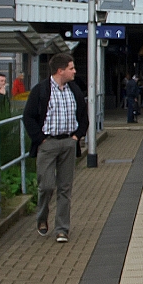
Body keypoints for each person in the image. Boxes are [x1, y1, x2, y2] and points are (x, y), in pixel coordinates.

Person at [22, 53, 88, 243]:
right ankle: (42, 218)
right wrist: (40, 139)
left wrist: (77, 136)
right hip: (48, 144)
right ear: (60, 71)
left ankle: (62, 229)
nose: (74, 71)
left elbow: (84, 116)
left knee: (65, 188)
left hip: (68, 142)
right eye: (71, 68)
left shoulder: (74, 90)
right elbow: (28, 117)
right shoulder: (40, 91)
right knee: (47, 185)